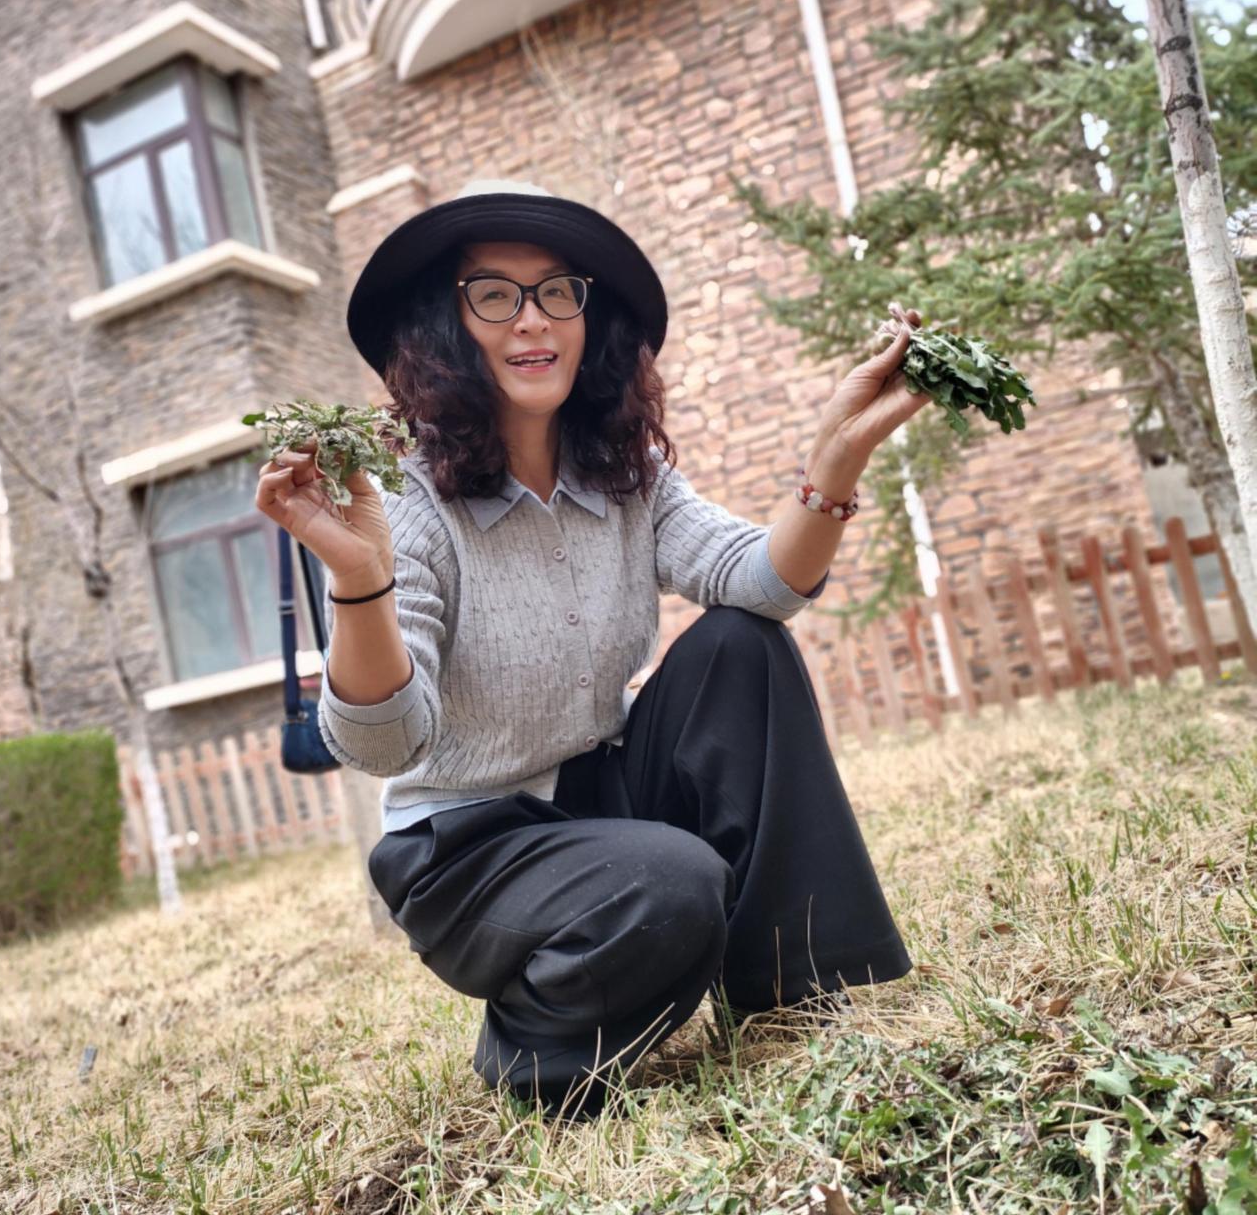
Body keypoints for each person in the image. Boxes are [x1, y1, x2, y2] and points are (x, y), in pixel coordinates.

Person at [253, 178, 934, 1123]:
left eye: (556, 292)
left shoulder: (624, 475)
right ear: (445, 327)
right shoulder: (404, 507)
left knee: (742, 647)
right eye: (494, 294)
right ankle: (536, 1052)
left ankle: (792, 989)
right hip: (466, 850)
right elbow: (382, 744)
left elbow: (765, 583)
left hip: (600, 797)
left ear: (589, 318)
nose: (533, 319)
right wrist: (359, 578)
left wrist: (836, 457)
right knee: (673, 885)